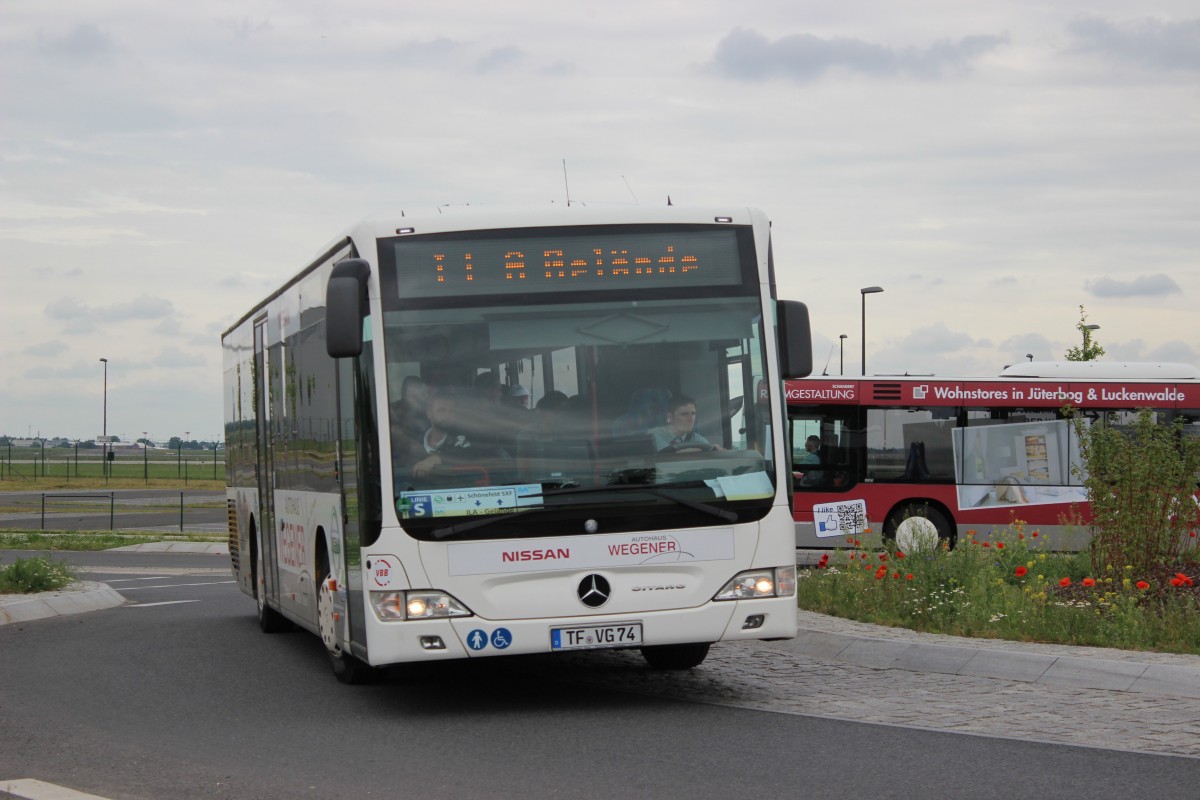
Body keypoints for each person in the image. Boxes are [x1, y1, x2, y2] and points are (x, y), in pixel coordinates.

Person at [650, 394, 720, 452]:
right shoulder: (654, 435)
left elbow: (709, 451)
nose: (690, 419)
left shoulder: (696, 438)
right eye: (684, 414)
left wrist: (716, 450)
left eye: (693, 414)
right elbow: (667, 455)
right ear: (670, 417)